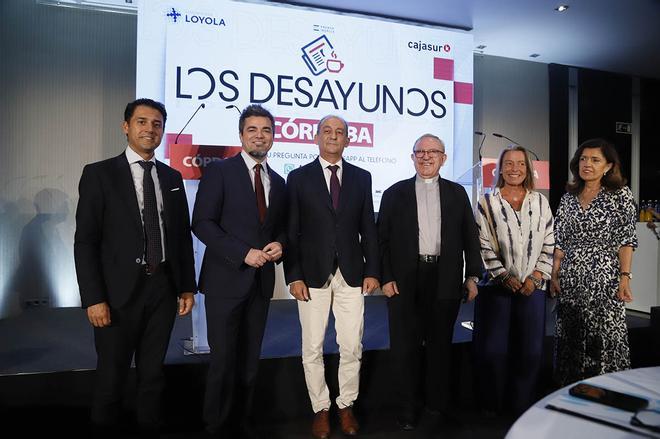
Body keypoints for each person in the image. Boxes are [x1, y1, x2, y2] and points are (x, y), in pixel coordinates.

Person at [74, 98, 196, 438]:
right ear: (126, 126)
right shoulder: (99, 174)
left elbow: (180, 237)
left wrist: (187, 286)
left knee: (153, 373)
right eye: (142, 122)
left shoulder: (171, 177)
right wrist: (93, 298)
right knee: (111, 374)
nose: (150, 129)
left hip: (162, 287)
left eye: (156, 124)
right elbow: (85, 241)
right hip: (115, 294)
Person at [192, 104, 286, 438]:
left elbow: (281, 228)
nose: (259, 136)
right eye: (252, 130)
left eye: (266, 130)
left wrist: (281, 245)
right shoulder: (220, 171)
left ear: (273, 137)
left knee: (249, 362)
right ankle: (216, 426)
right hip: (224, 281)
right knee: (223, 362)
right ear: (241, 135)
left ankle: (242, 424)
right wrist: (242, 253)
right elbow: (201, 222)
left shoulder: (279, 180)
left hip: (260, 285)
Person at [377, 134, 482, 431]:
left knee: (439, 348)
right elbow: (381, 240)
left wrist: (473, 275)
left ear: (443, 158)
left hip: (445, 278)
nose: (425, 156)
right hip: (404, 281)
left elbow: (469, 238)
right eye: (419, 152)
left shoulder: (456, 194)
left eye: (432, 151)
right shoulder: (394, 193)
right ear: (412, 157)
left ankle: (436, 407)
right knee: (405, 348)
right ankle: (408, 409)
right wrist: (386, 277)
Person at [284, 115, 380, 439]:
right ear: (316, 136)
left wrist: (372, 270)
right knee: (312, 347)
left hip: (352, 274)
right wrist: (293, 275)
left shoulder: (362, 177)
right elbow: (291, 232)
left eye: (340, 132)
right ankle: (321, 409)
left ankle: (345, 404)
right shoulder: (297, 178)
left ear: (348, 140)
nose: (333, 136)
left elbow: (369, 227)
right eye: (327, 130)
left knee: (352, 345)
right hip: (311, 276)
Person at [472, 146, 555, 416]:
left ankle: (522, 406)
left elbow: (550, 242)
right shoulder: (486, 203)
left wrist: (536, 276)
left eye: (520, 164)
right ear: (499, 169)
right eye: (509, 163)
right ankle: (493, 406)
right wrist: (504, 276)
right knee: (494, 351)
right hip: (497, 288)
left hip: (533, 288)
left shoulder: (540, 202)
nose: (515, 168)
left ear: (528, 169)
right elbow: (481, 245)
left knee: (530, 352)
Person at [550, 138, 637, 386]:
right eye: (583, 159)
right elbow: (560, 242)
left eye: (595, 160)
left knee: (604, 337)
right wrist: (555, 276)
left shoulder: (620, 195)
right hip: (571, 280)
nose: (587, 164)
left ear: (608, 166)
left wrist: (624, 278)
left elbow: (627, 241)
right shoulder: (568, 197)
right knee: (571, 337)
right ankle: (571, 394)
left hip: (605, 278)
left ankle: (607, 391)